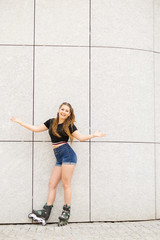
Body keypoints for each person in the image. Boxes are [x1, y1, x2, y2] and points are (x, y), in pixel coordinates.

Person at [10, 102, 106, 226]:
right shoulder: (51, 122)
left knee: (66, 184)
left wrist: (93, 135)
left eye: (67, 111)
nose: (64, 112)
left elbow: (81, 137)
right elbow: (36, 129)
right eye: (62, 109)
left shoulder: (69, 125)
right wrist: (21, 122)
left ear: (69, 114)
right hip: (59, 157)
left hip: (68, 155)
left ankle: (66, 212)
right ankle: (46, 211)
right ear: (59, 110)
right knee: (52, 184)